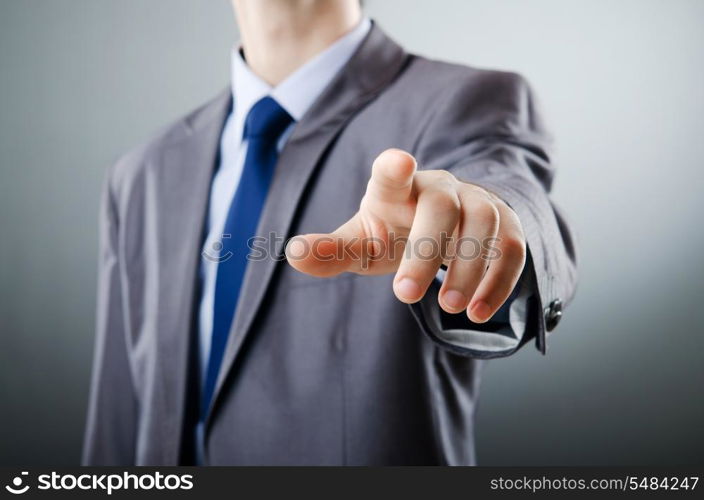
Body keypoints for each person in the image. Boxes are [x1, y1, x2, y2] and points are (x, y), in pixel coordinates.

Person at [83, 0, 577, 465]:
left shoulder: (464, 101)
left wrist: (485, 220)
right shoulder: (143, 173)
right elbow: (117, 420)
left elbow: (505, 190)